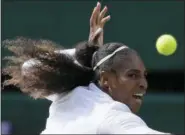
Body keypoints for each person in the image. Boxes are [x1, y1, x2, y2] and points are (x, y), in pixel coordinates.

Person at [2, 3, 171, 134]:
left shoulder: (71, 90)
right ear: (105, 79)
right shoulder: (112, 114)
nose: (143, 84)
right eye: (132, 75)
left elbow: (28, 67)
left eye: (144, 76)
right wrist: (90, 53)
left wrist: (89, 54)